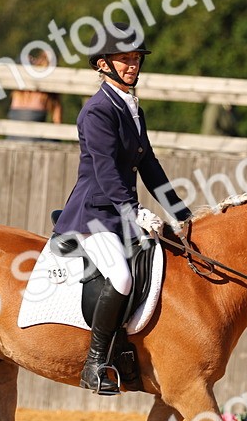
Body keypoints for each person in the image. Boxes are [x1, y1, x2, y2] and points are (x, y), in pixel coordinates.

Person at [51, 25, 192, 395]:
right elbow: (106, 170)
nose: (132, 66)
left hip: (118, 214)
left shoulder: (131, 108)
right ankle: (95, 363)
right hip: (93, 215)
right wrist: (135, 211)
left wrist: (179, 210)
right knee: (122, 278)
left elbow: (149, 164)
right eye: (124, 60)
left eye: (135, 59)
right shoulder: (97, 110)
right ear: (103, 65)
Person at [7, 48, 62, 135]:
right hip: (35, 140)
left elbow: (20, 60)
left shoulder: (20, 89)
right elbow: (57, 121)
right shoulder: (48, 93)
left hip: (13, 138)